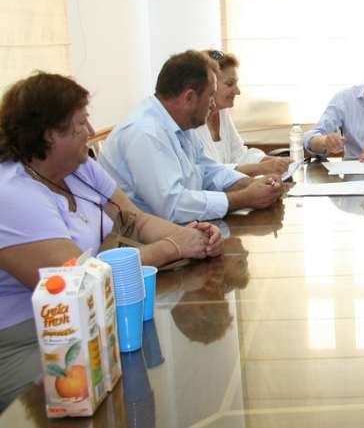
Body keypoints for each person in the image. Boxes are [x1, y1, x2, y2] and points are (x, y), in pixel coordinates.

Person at [0, 72, 223, 410]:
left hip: (91, 321)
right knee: (99, 398)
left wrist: (193, 236)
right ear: (49, 135)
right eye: (80, 123)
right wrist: (173, 248)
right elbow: (81, 279)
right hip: (28, 338)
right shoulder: (12, 193)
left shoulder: (79, 168)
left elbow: (136, 220)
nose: (91, 131)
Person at [100, 51, 284, 223]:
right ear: (189, 98)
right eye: (210, 96)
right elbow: (173, 207)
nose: (213, 104)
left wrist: (251, 184)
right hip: (142, 240)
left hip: (177, 229)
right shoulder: (145, 133)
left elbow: (208, 171)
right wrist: (245, 198)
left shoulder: (180, 123)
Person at [194, 49, 290, 176]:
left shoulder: (222, 112)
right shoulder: (191, 123)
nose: (238, 91)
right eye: (230, 84)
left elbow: (240, 154)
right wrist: (261, 168)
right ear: (210, 85)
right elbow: (210, 173)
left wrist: (276, 162)